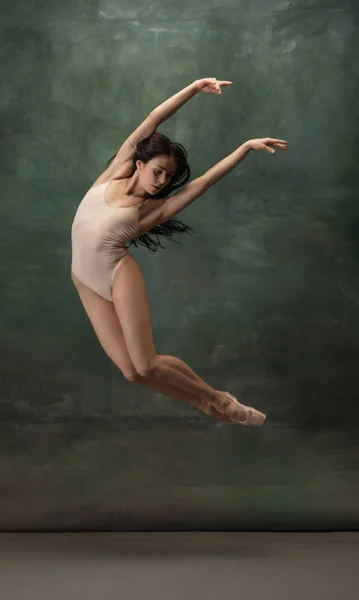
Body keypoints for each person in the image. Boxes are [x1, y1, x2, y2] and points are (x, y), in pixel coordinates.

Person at [71, 77, 288, 426]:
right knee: (133, 373)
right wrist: (193, 89)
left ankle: (220, 401)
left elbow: (203, 183)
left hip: (116, 274)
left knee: (147, 364)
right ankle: (210, 406)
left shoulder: (147, 212)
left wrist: (245, 147)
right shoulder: (112, 174)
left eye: (167, 177)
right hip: (84, 280)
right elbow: (155, 116)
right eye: (157, 171)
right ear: (139, 163)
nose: (161, 181)